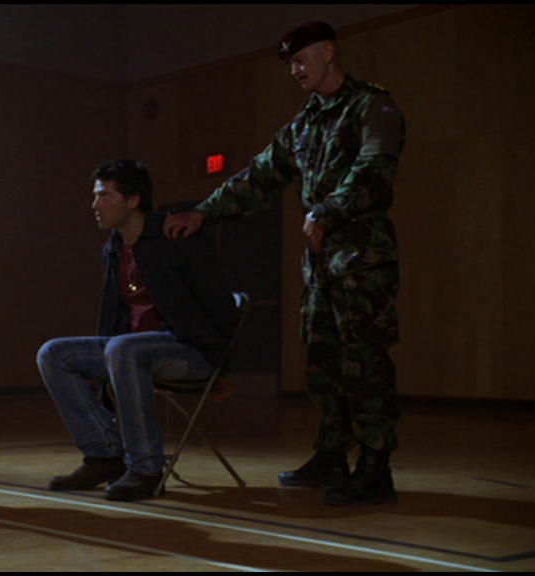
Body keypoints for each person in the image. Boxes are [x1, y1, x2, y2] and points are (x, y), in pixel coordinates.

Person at [164, 22, 405, 507]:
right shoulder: (303, 124)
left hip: (362, 260)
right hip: (320, 266)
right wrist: (204, 212)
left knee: (364, 363)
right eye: (290, 64)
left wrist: (325, 212)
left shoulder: (371, 106)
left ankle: (376, 466)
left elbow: (375, 170)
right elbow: (258, 177)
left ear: (328, 53)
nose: (294, 71)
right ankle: (332, 455)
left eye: (299, 60)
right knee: (322, 364)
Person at [37, 160, 239, 501]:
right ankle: (104, 456)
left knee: (124, 349)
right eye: (96, 196)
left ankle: (145, 468)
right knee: (54, 354)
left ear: (133, 200)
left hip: (189, 349)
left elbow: (220, 306)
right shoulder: (113, 248)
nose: (95, 205)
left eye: (105, 196)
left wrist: (220, 366)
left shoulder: (175, 236)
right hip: (131, 351)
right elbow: (114, 321)